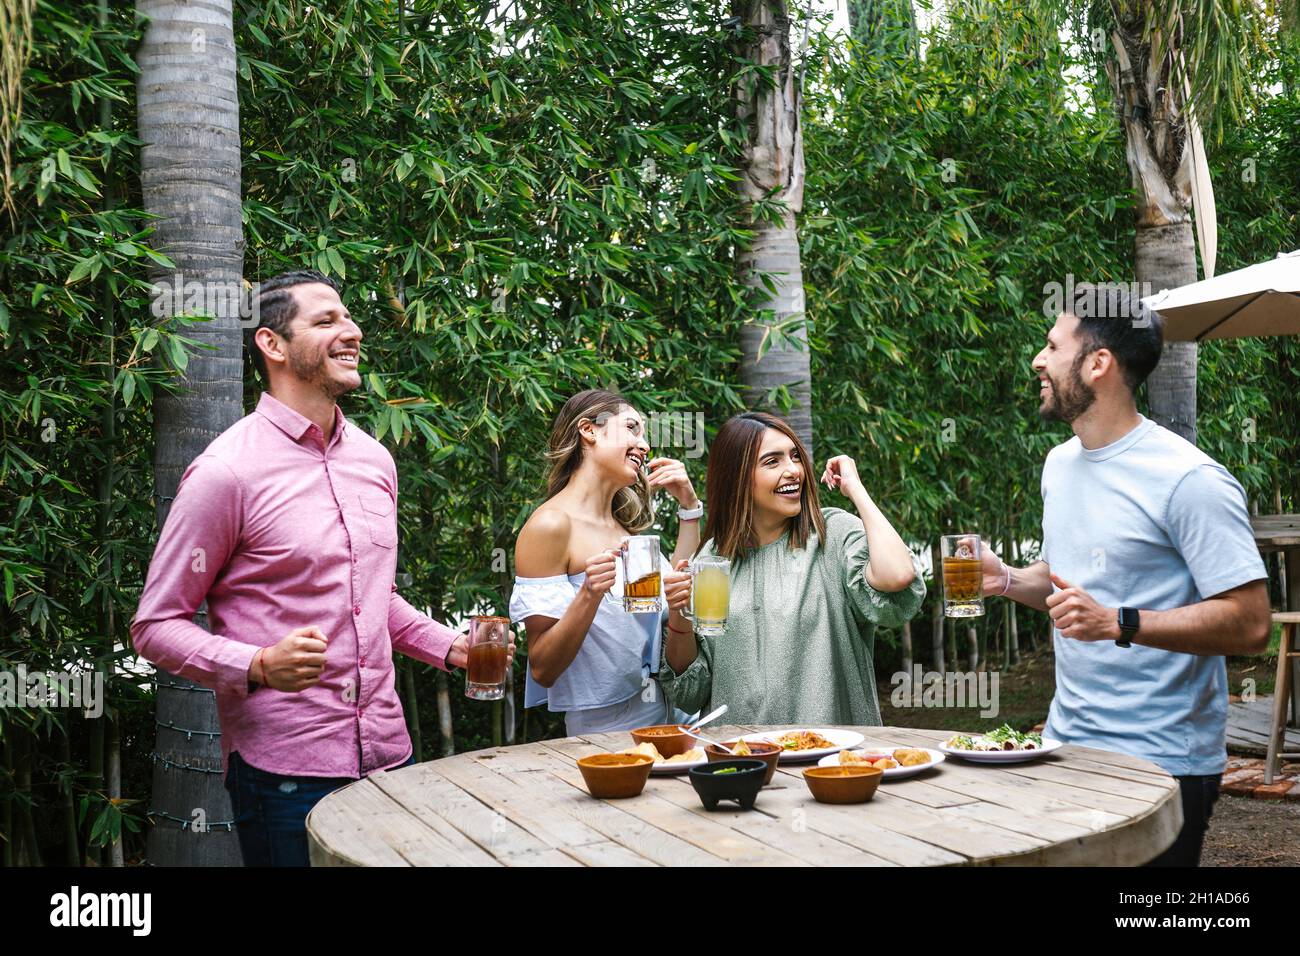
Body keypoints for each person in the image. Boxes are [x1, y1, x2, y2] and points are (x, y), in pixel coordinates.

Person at [131, 269, 503, 867]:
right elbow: (155, 624)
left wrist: (454, 648)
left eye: (349, 318)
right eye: (326, 321)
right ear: (272, 346)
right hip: (286, 773)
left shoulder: (375, 460)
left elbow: (371, 599)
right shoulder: (227, 471)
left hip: (388, 755)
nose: (350, 330)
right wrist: (255, 664)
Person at [980, 288, 1271, 866]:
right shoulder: (1059, 464)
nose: (1038, 361)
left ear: (1098, 363)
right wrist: (1009, 579)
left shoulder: (1189, 480)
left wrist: (1120, 622)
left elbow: (1250, 623)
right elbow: (1069, 585)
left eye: (1052, 346)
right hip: (1066, 748)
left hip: (1163, 762)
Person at [659, 411, 925, 725]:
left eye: (795, 457)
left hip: (832, 761)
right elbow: (691, 692)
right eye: (773, 461)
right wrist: (678, 612)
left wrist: (855, 488)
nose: (793, 470)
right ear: (737, 476)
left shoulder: (832, 534)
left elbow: (897, 576)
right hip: (741, 760)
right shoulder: (713, 559)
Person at [510, 389, 698, 734]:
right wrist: (589, 595)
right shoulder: (550, 525)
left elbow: (678, 588)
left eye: (644, 436)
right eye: (632, 429)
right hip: (608, 728)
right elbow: (542, 667)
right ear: (588, 430)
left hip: (672, 711)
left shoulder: (623, 528)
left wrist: (690, 508)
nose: (644, 446)